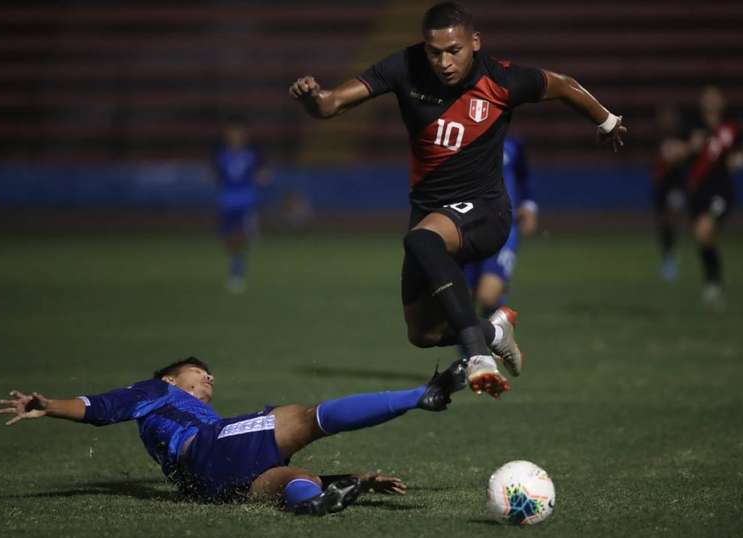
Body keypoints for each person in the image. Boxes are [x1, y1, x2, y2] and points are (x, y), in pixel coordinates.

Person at [289, 2, 626, 397]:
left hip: (486, 210)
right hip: (430, 213)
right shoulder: (403, 68)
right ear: (423, 47)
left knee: (421, 240)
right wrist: (312, 97)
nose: (444, 62)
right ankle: (494, 330)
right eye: (435, 52)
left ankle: (477, 353)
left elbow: (565, 85)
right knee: (422, 333)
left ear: (475, 44)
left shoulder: (501, 79)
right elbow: (330, 104)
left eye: (455, 51)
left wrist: (607, 121)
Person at [0, 357, 464, 516]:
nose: (208, 381)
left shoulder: (188, 425)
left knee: (291, 478)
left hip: (208, 487)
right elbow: (102, 408)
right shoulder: (156, 390)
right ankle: (422, 394)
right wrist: (50, 405)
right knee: (305, 418)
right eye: (199, 374)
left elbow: (234, 459)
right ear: (172, 378)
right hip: (205, 453)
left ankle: (313, 504)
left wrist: (354, 479)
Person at [686, 86, 743, 305]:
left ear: (722, 102)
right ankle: (713, 280)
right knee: (703, 237)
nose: (711, 101)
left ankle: (714, 282)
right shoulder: (693, 126)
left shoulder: (731, 129)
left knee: (705, 230)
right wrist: (689, 147)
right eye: (707, 97)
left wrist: (739, 160)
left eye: (715, 97)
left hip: (721, 190)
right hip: (697, 190)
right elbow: (676, 151)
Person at [464, 136, 537, 316]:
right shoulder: (462, 141)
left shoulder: (512, 144)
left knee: (487, 296)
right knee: (463, 299)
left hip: (503, 229)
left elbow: (524, 176)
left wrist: (529, 206)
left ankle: (499, 314)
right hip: (467, 228)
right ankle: (473, 343)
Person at [214, 118, 270, 294]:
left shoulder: (251, 155)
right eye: (232, 134)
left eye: (238, 134)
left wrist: (261, 178)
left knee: (239, 236)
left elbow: (262, 173)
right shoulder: (222, 156)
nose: (235, 137)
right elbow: (217, 176)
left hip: (245, 199)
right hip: (227, 200)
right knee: (226, 238)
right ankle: (237, 259)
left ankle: (237, 271)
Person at [652, 105, 690, 282]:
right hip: (661, 186)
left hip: (676, 185)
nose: (667, 121)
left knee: (671, 218)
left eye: (670, 117)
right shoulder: (657, 138)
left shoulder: (682, 138)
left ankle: (671, 258)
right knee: (663, 222)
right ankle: (668, 255)